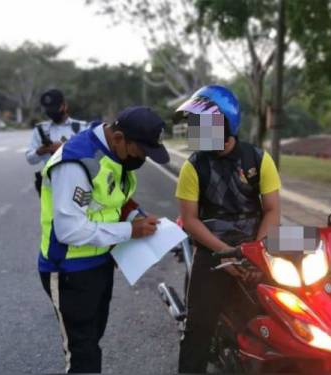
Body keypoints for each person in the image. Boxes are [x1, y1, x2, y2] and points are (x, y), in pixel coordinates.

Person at [37, 106, 170, 373]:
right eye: (140, 151)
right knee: (82, 352)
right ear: (119, 138)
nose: (141, 158)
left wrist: (135, 215)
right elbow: (69, 230)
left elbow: (111, 199)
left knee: (92, 340)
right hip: (69, 272)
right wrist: (130, 231)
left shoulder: (112, 153)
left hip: (100, 262)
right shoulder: (77, 162)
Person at [174, 85, 282, 373]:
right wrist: (224, 253)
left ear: (225, 124)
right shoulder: (193, 167)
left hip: (257, 244)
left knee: (299, 294)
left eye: (200, 123)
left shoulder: (259, 159)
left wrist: (256, 252)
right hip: (214, 249)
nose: (193, 130)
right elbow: (190, 220)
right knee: (198, 327)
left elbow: (272, 210)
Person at [25, 89, 87, 195]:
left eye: (53, 108)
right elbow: (30, 159)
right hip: (50, 186)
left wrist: (64, 148)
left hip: (76, 185)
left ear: (64, 106)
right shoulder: (41, 130)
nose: (50, 112)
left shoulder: (81, 127)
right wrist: (41, 151)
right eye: (47, 109)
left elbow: (91, 155)